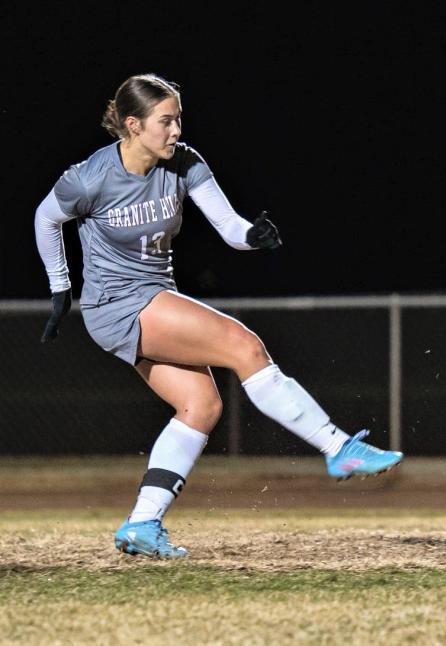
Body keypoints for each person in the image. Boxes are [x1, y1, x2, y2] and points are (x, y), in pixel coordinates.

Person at [34, 73, 402, 559]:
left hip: (152, 296)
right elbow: (46, 218)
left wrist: (251, 237)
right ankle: (338, 449)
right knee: (244, 346)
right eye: (165, 121)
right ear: (132, 124)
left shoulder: (184, 163)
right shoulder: (91, 177)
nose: (176, 131)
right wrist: (61, 287)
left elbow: (228, 226)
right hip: (118, 305)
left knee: (201, 407)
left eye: (178, 119)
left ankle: (142, 524)